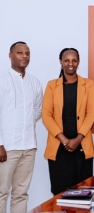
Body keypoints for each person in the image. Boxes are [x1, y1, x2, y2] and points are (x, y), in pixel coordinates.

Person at [42, 48, 94, 195]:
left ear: (78, 62)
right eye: (66, 60)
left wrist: (78, 138)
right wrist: (64, 140)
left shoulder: (89, 84)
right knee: (60, 193)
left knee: (83, 193)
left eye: (74, 60)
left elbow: (91, 114)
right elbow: (46, 114)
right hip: (59, 148)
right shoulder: (52, 85)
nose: (70, 64)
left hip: (82, 147)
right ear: (61, 62)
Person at [0, 41, 43, 213]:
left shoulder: (35, 82)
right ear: (10, 55)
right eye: (19, 53)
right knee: (2, 192)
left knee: (21, 193)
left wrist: (24, 123)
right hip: (7, 147)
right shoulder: (2, 80)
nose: (24, 56)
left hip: (28, 146)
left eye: (27, 53)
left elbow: (38, 110)